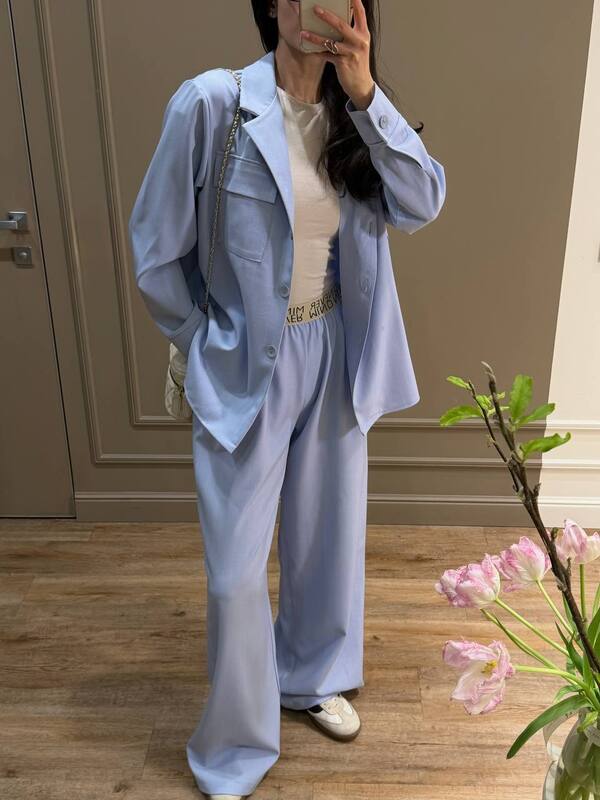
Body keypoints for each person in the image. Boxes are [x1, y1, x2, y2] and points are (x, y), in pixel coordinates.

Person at [128, 1, 446, 797]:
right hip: (246, 360)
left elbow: (423, 200)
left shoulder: (356, 118)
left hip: (334, 347)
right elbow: (155, 247)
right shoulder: (213, 104)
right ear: (272, 5)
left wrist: (366, 92)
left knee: (326, 539)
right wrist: (203, 337)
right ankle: (235, 745)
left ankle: (309, 678)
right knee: (234, 573)